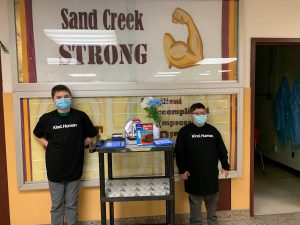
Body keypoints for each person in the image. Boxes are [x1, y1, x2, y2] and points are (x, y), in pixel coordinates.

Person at [33, 85, 98, 225]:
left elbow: (93, 135)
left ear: (71, 98)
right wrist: (48, 144)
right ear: (53, 100)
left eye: (66, 96)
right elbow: (36, 134)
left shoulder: (80, 116)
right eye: (59, 97)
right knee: (56, 206)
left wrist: (78, 144)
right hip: (55, 168)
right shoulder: (47, 118)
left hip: (74, 167)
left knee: (72, 204)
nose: (63, 99)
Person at [175, 103, 230, 225]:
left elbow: (222, 150)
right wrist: (182, 170)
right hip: (193, 176)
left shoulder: (213, 131)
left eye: (203, 113)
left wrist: (225, 166)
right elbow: (179, 152)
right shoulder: (185, 132)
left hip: (210, 175)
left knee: (212, 207)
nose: (201, 115)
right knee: (195, 208)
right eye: (198, 113)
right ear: (191, 115)